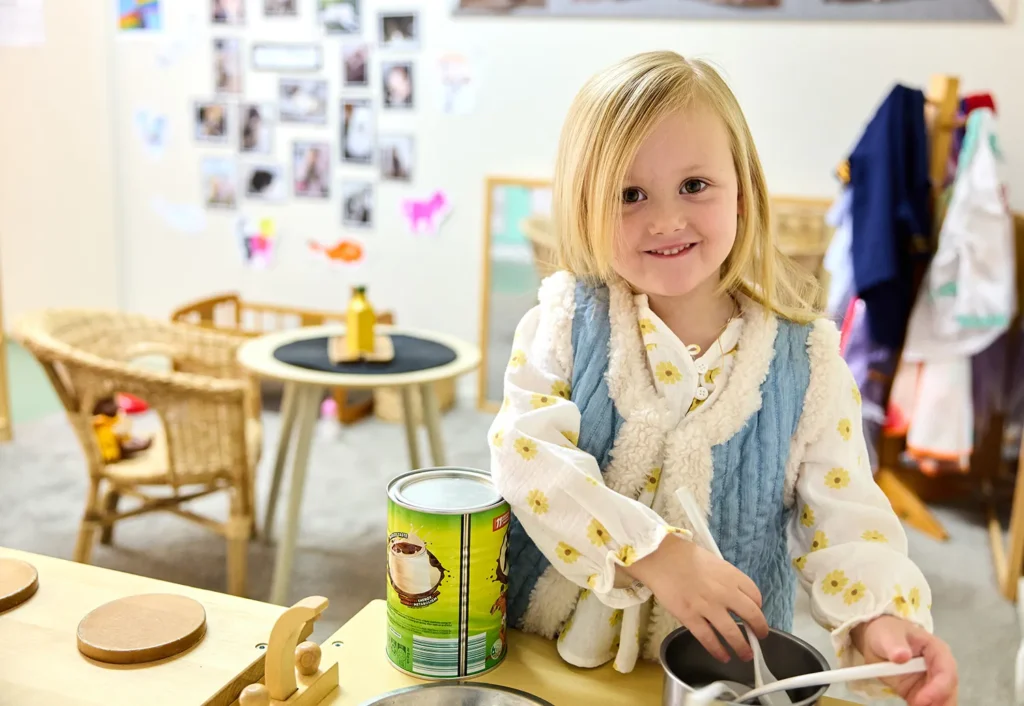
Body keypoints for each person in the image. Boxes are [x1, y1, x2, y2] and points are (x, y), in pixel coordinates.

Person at [488, 51, 957, 706]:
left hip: (716, 683)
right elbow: (524, 455)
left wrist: (881, 619)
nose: (666, 220)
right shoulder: (564, 319)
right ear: (585, 205)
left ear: (743, 188)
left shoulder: (811, 361)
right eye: (630, 195)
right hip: (545, 659)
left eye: (694, 185)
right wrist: (650, 551)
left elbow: (848, 520)